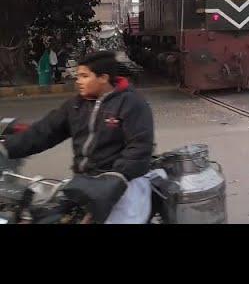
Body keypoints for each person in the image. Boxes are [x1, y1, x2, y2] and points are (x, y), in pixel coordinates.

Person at [0, 51, 154, 224]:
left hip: (124, 186)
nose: (78, 81)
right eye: (78, 76)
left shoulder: (131, 103)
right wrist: (6, 147)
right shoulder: (76, 105)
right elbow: (45, 131)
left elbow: (139, 147)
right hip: (85, 183)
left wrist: (116, 178)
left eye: (84, 76)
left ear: (103, 78)